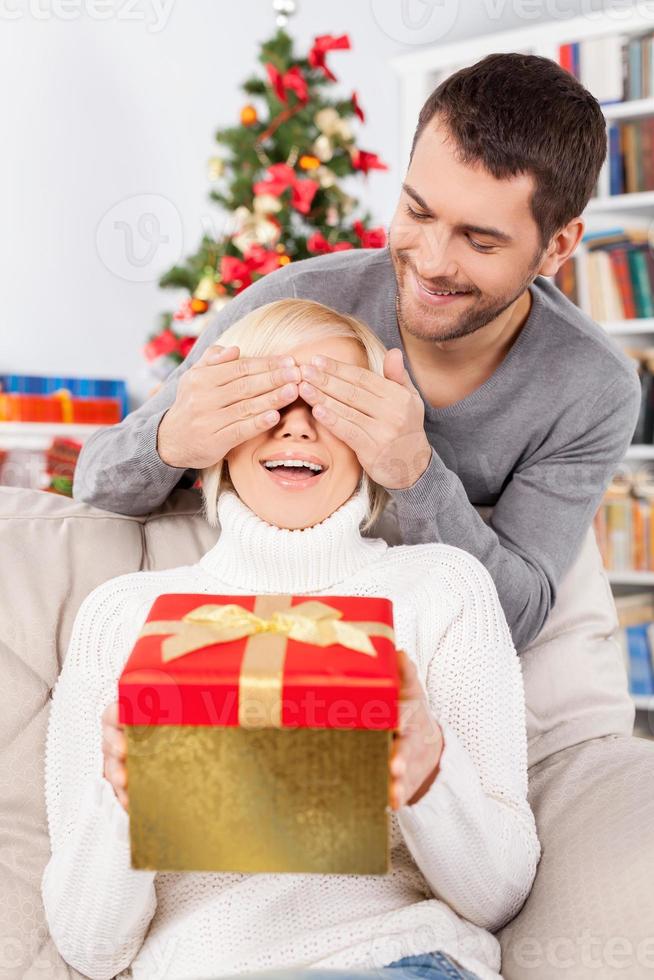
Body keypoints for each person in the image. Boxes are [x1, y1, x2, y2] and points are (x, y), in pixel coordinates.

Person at [72, 53, 640, 655]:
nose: (431, 261)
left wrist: (416, 475)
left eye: (480, 240)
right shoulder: (295, 297)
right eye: (417, 211)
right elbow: (94, 481)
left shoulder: (592, 388)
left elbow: (515, 619)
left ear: (557, 246)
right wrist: (171, 440)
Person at [42, 299, 540, 980]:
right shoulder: (127, 615)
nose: (297, 429)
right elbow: (90, 949)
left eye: (332, 402)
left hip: (395, 960)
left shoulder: (442, 588)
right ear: (220, 430)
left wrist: (430, 776)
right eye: (268, 399)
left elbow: (497, 898)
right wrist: (121, 803)